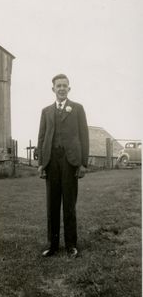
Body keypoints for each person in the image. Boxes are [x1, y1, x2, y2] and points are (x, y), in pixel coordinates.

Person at [37, 74, 89, 258]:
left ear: (69, 88)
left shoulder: (77, 109)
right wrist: (41, 164)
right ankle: (52, 245)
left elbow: (84, 136)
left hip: (70, 161)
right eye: (58, 86)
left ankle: (71, 245)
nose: (61, 88)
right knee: (52, 204)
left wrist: (83, 163)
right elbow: (42, 138)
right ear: (53, 89)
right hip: (51, 163)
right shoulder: (46, 111)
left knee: (69, 204)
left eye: (64, 85)